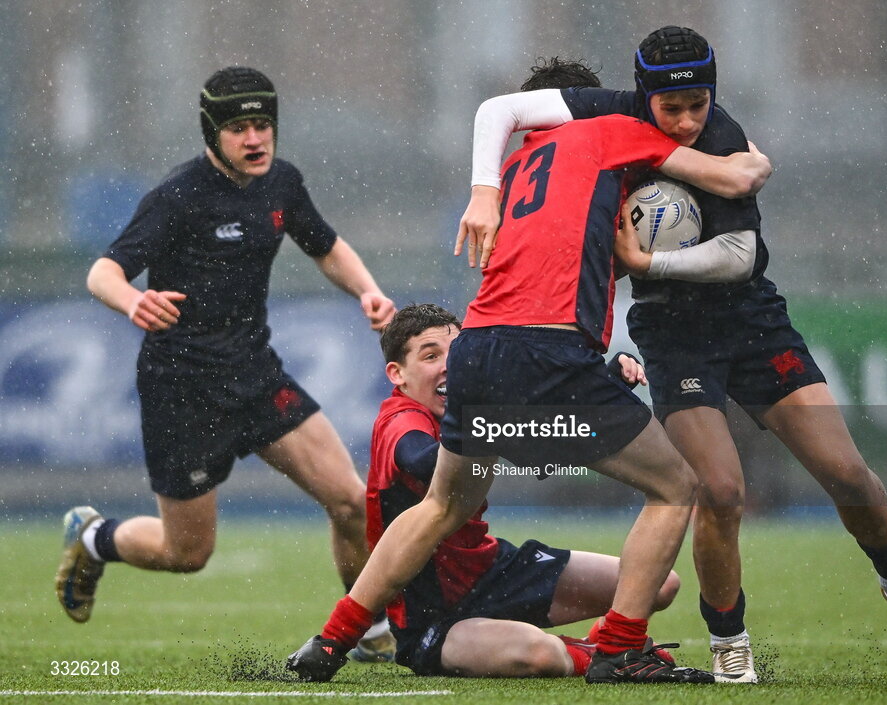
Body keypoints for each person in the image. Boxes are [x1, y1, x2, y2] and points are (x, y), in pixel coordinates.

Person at [460, 26, 887, 682]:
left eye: (700, 103)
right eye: (673, 108)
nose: (689, 120)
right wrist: (486, 190)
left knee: (846, 473)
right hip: (672, 336)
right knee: (718, 490)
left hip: (752, 324)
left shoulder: (723, 135)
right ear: (644, 97)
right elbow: (500, 109)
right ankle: (730, 637)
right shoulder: (609, 117)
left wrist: (645, 258)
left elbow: (740, 256)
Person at [284, 56, 773, 686]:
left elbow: (564, 250)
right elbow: (735, 179)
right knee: (677, 486)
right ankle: (622, 648)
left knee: (441, 505)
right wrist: (747, 154)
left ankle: (334, 639)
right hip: (546, 350)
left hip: (480, 343)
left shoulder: (515, 167)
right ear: (581, 104)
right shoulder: (608, 131)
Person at [56, 66, 397, 660]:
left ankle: (365, 630)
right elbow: (102, 272)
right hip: (182, 388)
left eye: (263, 124)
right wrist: (134, 299)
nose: (255, 138)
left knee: (350, 499)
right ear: (212, 134)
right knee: (186, 555)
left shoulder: (281, 183)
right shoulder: (177, 196)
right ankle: (93, 536)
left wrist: (366, 289)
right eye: (239, 127)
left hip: (255, 373)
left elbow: (325, 245)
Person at [334, 302, 683, 677]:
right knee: (541, 655)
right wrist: (503, 421)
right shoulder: (399, 418)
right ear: (397, 374)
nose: (449, 365)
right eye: (431, 355)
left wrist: (605, 386)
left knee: (659, 584)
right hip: (433, 616)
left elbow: (542, 426)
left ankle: (609, 639)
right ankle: (601, 655)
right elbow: (425, 461)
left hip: (493, 569)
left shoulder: (472, 412)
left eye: (457, 352)